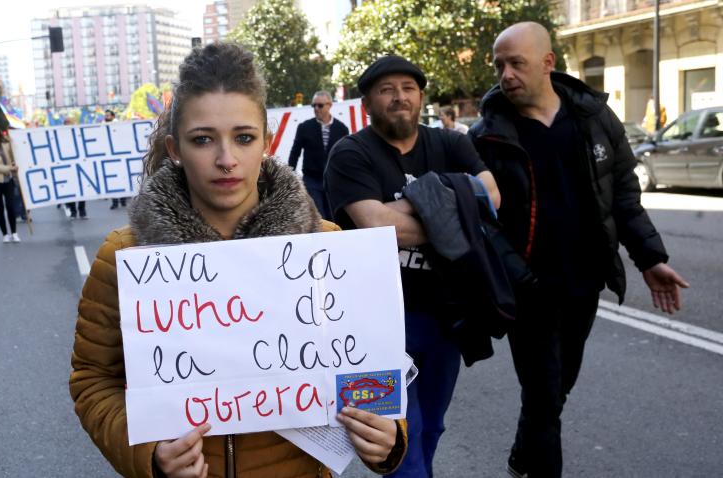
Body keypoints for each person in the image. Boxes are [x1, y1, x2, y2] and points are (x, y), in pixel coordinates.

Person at [69, 42, 408, 478]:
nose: (226, 159)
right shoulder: (126, 255)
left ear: (266, 142)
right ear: (175, 148)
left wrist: (388, 432)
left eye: (243, 138)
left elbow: (370, 366)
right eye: (203, 139)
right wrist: (150, 454)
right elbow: (94, 380)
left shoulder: (327, 248)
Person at [469, 22, 689, 478]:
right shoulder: (485, 136)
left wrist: (650, 259)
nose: (505, 74)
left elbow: (623, 195)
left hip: (583, 283)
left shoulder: (594, 119)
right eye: (499, 65)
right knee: (545, 395)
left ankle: (521, 456)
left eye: (517, 63)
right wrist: (514, 274)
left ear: (548, 63)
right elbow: (480, 222)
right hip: (526, 290)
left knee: (556, 388)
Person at [325, 55, 501, 478]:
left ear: (421, 96)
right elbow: (375, 224)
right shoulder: (349, 153)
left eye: (407, 87)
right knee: (394, 434)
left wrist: (412, 208)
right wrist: (454, 202)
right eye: (386, 90)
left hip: (447, 317)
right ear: (367, 102)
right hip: (371, 324)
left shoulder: (451, 143)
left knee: (431, 426)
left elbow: (492, 198)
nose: (399, 97)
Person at [287, 91, 349, 220]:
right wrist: (289, 177)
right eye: (313, 105)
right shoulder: (304, 127)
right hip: (312, 180)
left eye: (320, 105)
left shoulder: (341, 128)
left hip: (334, 180)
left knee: (334, 217)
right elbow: (295, 153)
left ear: (329, 105)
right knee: (318, 217)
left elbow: (345, 157)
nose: (316, 109)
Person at [106, 109, 130, 210]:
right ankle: (115, 202)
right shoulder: (103, 125)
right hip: (109, 158)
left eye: (108, 115)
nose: (106, 117)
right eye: (105, 115)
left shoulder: (117, 125)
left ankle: (122, 200)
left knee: (121, 179)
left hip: (119, 157)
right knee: (112, 182)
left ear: (112, 116)